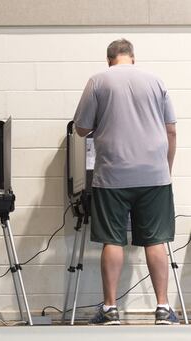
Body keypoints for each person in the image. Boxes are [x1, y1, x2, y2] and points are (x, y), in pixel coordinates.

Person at [73, 39, 178, 325]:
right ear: (133, 57)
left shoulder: (98, 81)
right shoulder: (156, 80)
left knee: (112, 239)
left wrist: (105, 121)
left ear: (109, 59)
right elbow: (171, 132)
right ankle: (163, 308)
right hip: (154, 175)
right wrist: (164, 170)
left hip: (112, 175)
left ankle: (109, 309)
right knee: (156, 240)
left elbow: (81, 129)